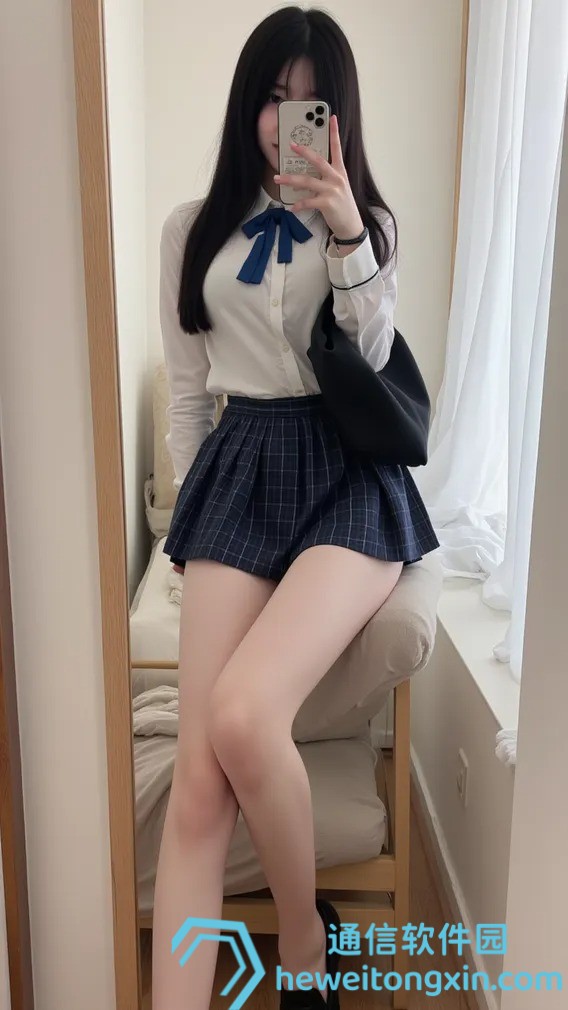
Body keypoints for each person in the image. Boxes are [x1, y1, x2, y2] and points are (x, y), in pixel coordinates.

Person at [153, 7, 440, 1009]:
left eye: (309, 101)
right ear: (250, 104)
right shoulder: (191, 229)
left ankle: (305, 945)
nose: (287, 120)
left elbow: (371, 350)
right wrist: (190, 532)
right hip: (242, 466)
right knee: (199, 783)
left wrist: (347, 231)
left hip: (347, 470)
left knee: (241, 715)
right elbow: (189, 396)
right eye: (274, 97)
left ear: (339, 115)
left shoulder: (369, 226)